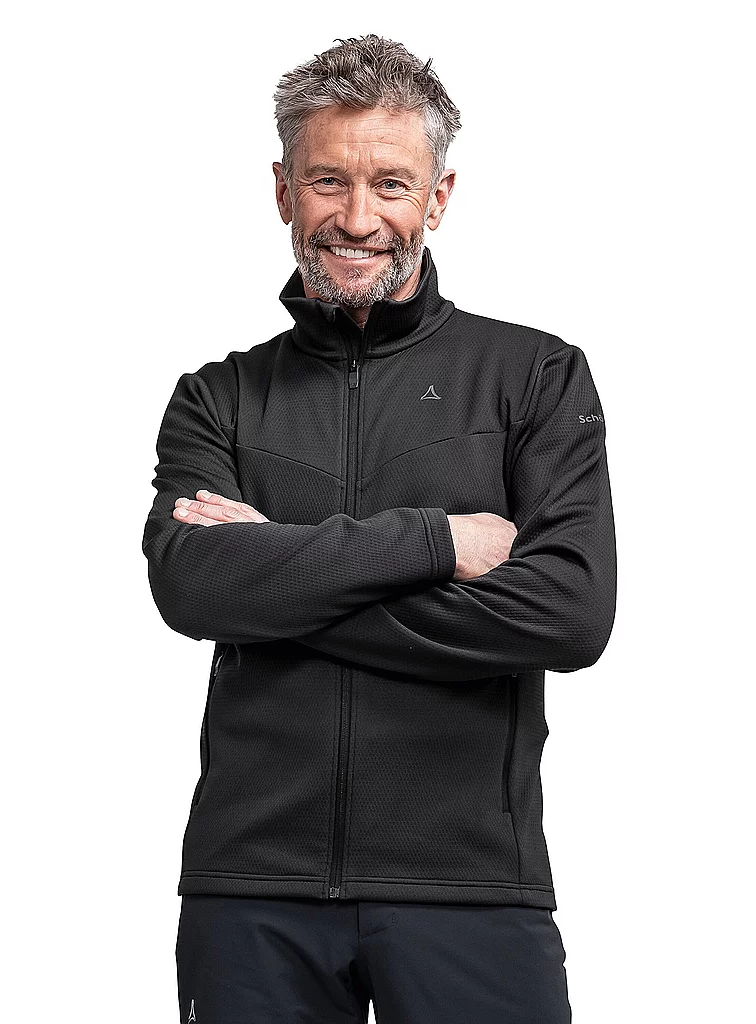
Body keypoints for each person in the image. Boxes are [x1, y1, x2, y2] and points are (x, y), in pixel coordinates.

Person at [142, 33, 617, 1024]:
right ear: (283, 190)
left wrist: (279, 577)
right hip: (250, 889)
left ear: (438, 198)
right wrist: (437, 541)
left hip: (472, 888)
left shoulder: (534, 378)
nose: (357, 219)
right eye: (328, 180)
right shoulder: (217, 398)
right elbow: (193, 587)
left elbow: (569, 614)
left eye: (391, 184)